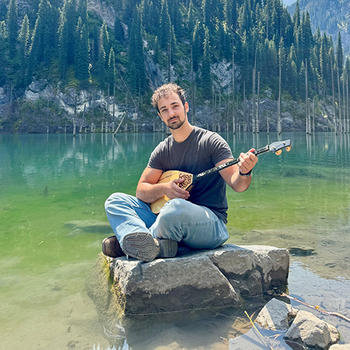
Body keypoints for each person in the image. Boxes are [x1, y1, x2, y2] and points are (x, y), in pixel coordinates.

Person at [102, 83, 258, 262]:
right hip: (167, 219)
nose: (171, 113)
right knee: (115, 201)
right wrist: (164, 189)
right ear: (160, 116)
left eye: (175, 106)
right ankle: (154, 245)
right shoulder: (163, 150)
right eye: (164, 110)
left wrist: (245, 172)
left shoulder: (211, 141)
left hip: (211, 224)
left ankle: (131, 244)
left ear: (186, 107)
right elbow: (141, 191)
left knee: (174, 208)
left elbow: (237, 183)